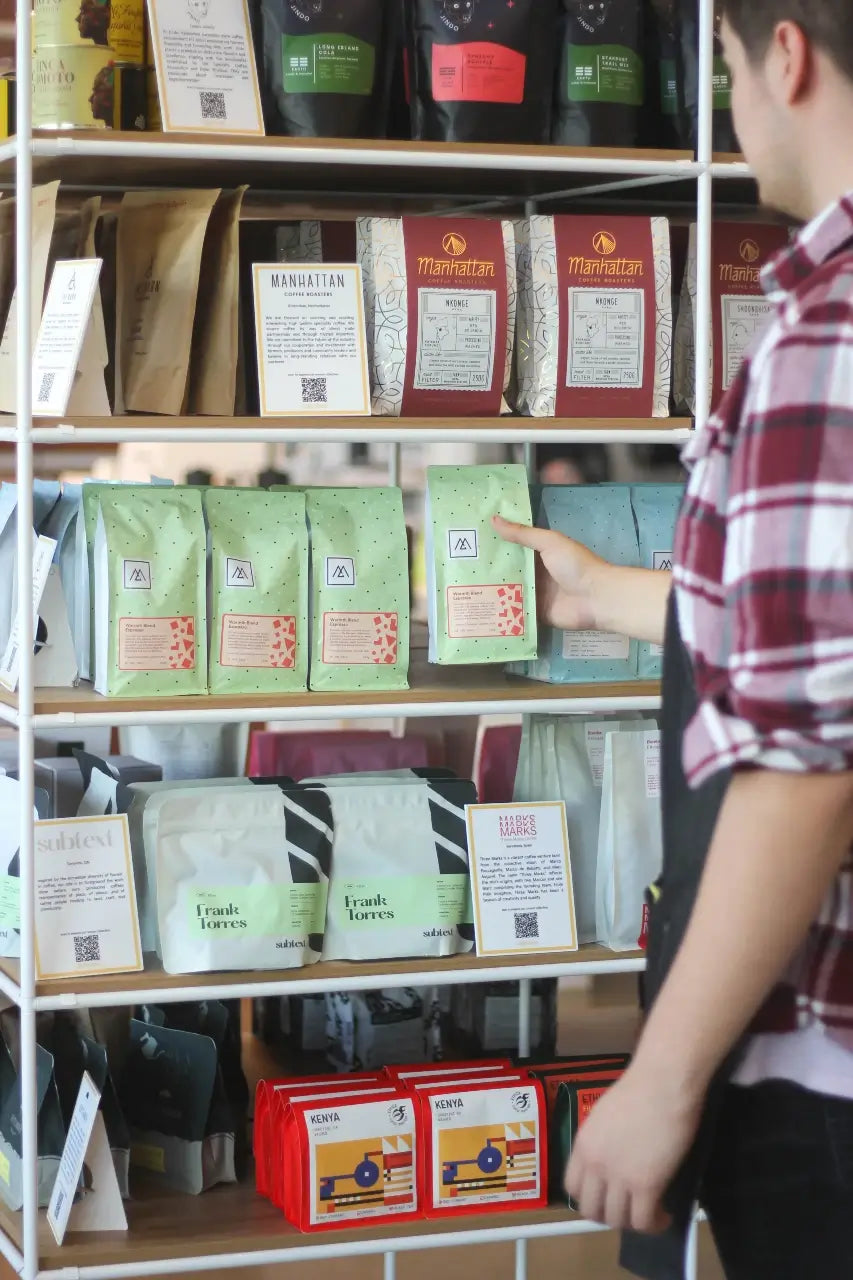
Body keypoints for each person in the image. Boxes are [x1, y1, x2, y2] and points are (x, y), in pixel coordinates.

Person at [497, 3, 853, 1277]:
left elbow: (809, 769)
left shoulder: (826, 347)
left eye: (724, 73)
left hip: (823, 1084)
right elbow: (809, 626)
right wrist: (601, 596)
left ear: (788, 57)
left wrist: (661, 1075)